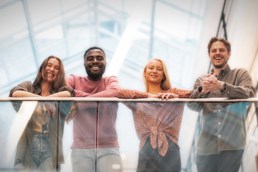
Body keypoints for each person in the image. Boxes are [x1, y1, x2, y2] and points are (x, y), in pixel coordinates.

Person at [188, 37, 255, 172]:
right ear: (209, 55)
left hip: (232, 145)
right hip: (206, 148)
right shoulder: (201, 81)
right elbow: (191, 105)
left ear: (229, 54)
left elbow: (249, 93)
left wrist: (221, 86)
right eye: (214, 50)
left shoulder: (240, 74)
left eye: (221, 50)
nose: (217, 53)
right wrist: (203, 90)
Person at [117, 58, 191, 172]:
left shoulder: (174, 93)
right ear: (145, 74)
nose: (154, 71)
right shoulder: (139, 99)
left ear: (163, 76)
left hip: (170, 150)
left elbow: (194, 95)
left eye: (159, 69)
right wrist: (148, 96)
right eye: (151, 68)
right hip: (146, 151)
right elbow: (119, 93)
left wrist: (176, 97)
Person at [9, 55, 74, 171]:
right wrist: (43, 100)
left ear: (59, 72)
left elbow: (69, 94)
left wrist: (47, 99)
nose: (52, 69)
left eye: (56, 67)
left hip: (50, 146)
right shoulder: (29, 86)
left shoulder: (60, 91)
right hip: (28, 144)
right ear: (42, 68)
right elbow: (15, 93)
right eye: (49, 65)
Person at [67, 46, 123, 172]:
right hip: (80, 148)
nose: (95, 61)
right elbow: (64, 91)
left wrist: (78, 101)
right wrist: (100, 99)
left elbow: (115, 91)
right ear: (84, 63)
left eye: (99, 58)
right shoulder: (74, 79)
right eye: (90, 58)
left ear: (105, 63)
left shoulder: (110, 80)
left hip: (109, 147)